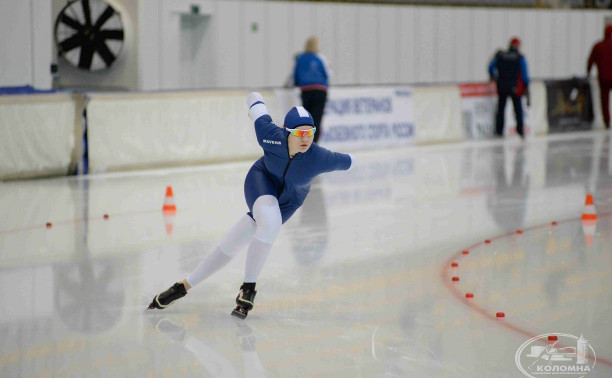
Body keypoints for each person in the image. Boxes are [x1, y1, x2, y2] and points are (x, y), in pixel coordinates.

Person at [148, 92, 353, 319]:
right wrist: (254, 96)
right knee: (270, 222)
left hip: (289, 200)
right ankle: (249, 288)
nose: (305, 138)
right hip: (261, 180)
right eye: (299, 133)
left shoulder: (320, 157)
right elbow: (256, 106)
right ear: (286, 132)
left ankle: (182, 287)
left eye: (310, 133)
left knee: (234, 243)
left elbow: (349, 161)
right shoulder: (269, 134)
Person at [291, 36, 331, 143]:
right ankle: (314, 143)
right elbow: (328, 74)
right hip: (320, 90)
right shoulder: (320, 57)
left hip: (306, 91)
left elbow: (295, 75)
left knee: (307, 119)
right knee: (316, 118)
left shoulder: (300, 58)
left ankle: (305, 141)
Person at [488, 37, 530, 138]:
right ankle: (520, 130)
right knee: (518, 110)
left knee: (501, 109)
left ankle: (499, 131)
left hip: (502, 86)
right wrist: (526, 85)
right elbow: (524, 74)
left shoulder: (501, 56)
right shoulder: (519, 58)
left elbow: (490, 67)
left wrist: (495, 78)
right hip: (515, 87)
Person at [587, 25, 612, 130]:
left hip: (603, 78)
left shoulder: (598, 46)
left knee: (604, 101)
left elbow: (590, 60)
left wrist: (588, 72)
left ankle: (606, 121)